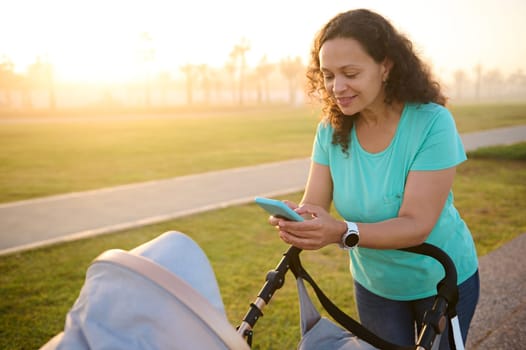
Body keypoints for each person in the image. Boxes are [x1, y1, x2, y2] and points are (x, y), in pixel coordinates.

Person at [269, 8, 479, 349]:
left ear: (386, 66)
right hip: (375, 285)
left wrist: (340, 231)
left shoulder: (432, 124)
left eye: (350, 73)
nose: (337, 87)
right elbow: (315, 203)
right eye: (327, 75)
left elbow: (416, 224)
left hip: (438, 278)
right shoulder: (329, 130)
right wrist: (299, 220)